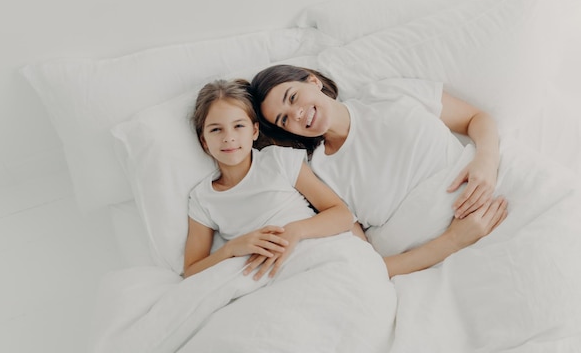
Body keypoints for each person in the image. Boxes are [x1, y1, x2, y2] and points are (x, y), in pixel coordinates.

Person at [249, 65, 509, 278]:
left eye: (292, 97)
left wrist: (486, 162)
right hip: (437, 266)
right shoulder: (318, 173)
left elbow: (477, 119)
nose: (296, 114)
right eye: (284, 120)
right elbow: (370, 266)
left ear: (313, 81)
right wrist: (453, 241)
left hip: (500, 195)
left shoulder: (385, 93)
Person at [184, 78, 355, 280]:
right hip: (262, 277)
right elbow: (191, 271)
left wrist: (296, 230)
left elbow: (343, 215)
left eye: (238, 126)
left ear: (254, 131)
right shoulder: (203, 198)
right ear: (204, 141)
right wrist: (230, 249)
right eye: (216, 129)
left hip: (314, 254)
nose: (229, 137)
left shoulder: (278, 160)